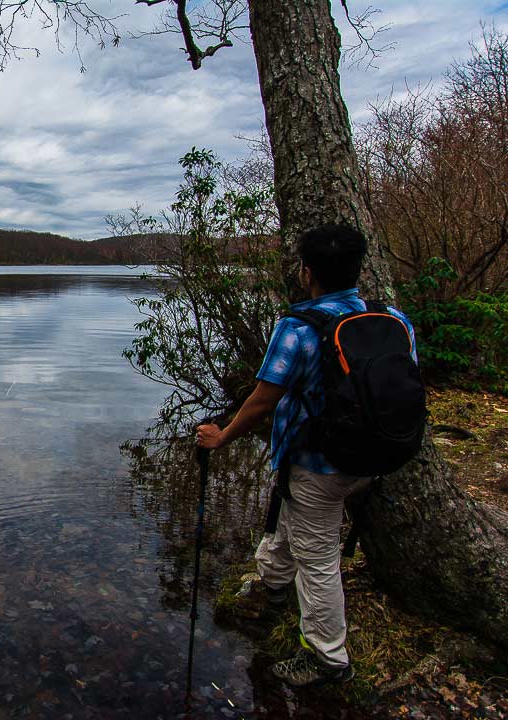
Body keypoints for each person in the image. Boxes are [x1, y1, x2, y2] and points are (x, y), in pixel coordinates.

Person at [194, 223, 418, 688]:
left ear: (306, 272)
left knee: (318, 558)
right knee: (291, 521)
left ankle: (326, 658)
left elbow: (261, 400)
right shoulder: (393, 320)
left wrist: (223, 437)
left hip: (318, 463)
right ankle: (272, 585)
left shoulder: (298, 328)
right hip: (376, 456)